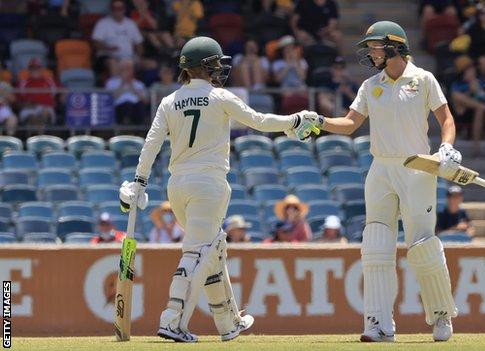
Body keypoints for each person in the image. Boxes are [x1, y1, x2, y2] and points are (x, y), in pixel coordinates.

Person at [117, 36, 318, 343]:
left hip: (177, 186)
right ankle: (172, 320)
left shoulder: (169, 101)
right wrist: (295, 120)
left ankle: (228, 322)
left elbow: (151, 144)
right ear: (206, 66)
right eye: (215, 64)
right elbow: (260, 121)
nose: (219, 70)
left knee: (213, 249)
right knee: (198, 251)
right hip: (208, 184)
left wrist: (139, 183)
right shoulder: (220, 97)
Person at [290, 21, 460, 342]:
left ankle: (440, 316)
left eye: (375, 46)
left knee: (422, 247)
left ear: (394, 46)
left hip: (417, 167)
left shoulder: (423, 79)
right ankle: (378, 325)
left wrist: (447, 147)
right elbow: (350, 124)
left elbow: (446, 119)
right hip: (380, 168)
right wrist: (320, 121)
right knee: (375, 246)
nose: (370, 52)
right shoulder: (371, 85)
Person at [450, 64, 485, 154]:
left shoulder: (481, 83)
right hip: (462, 111)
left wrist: (479, 91)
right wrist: (470, 91)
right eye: (468, 72)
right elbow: (455, 98)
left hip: (479, 114)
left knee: (480, 109)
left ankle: (476, 147)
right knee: (456, 96)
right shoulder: (458, 84)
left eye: (472, 72)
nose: (471, 74)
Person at [18, 57, 57, 132]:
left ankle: (40, 136)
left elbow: (57, 94)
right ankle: (33, 138)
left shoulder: (49, 81)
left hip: (46, 108)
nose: (35, 70)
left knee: (44, 112)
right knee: (32, 117)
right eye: (32, 68)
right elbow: (19, 100)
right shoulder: (24, 83)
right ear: (29, 69)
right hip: (29, 109)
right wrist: (26, 104)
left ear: (41, 69)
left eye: (37, 68)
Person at [105, 59, 149, 125]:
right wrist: (122, 84)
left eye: (129, 68)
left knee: (139, 107)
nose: (127, 71)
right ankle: (126, 123)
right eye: (124, 68)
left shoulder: (139, 84)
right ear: (120, 69)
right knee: (127, 106)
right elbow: (108, 100)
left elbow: (145, 101)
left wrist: (133, 87)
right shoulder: (111, 82)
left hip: (136, 107)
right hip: (119, 108)